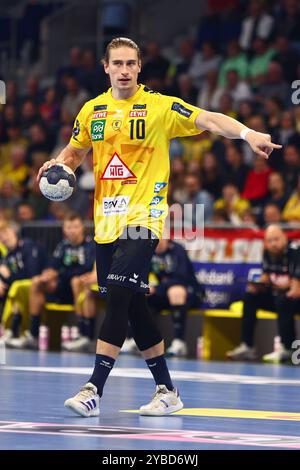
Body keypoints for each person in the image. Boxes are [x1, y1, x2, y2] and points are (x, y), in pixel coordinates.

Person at [37, 37, 281, 418]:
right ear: (105, 67)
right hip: (105, 220)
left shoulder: (159, 107)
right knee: (133, 306)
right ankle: (168, 390)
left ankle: (93, 389)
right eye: (117, 63)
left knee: (118, 293)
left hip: (144, 218)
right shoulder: (91, 110)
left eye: (131, 63)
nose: (124, 70)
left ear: (139, 67)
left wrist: (249, 134)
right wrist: (59, 162)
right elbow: (76, 150)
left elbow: (208, 118)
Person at [7, 212, 95, 349]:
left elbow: (87, 269)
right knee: (36, 282)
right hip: (62, 286)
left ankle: (83, 335)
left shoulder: (90, 245)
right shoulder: (63, 246)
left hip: (81, 287)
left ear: (82, 228)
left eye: (75, 227)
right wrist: (48, 274)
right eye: (68, 227)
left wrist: (60, 273)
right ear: (64, 230)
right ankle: (33, 334)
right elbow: (53, 265)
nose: (72, 231)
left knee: (76, 281)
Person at [227, 225, 300, 363]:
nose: (273, 244)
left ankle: (288, 348)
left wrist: (281, 288)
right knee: (250, 297)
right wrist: (258, 286)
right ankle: (247, 346)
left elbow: (296, 289)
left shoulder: (296, 252)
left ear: (284, 238)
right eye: (270, 241)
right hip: (280, 294)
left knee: (284, 300)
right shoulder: (267, 253)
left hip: (294, 297)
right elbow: (266, 278)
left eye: (276, 239)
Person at [0, 219, 45, 342]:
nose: (3, 238)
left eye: (6, 233)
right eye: (1, 235)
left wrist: (8, 277)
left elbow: (32, 274)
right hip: (17, 288)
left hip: (38, 287)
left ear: (14, 232)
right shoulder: (7, 256)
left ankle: (10, 329)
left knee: (17, 287)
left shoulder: (28, 246)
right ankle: (10, 330)